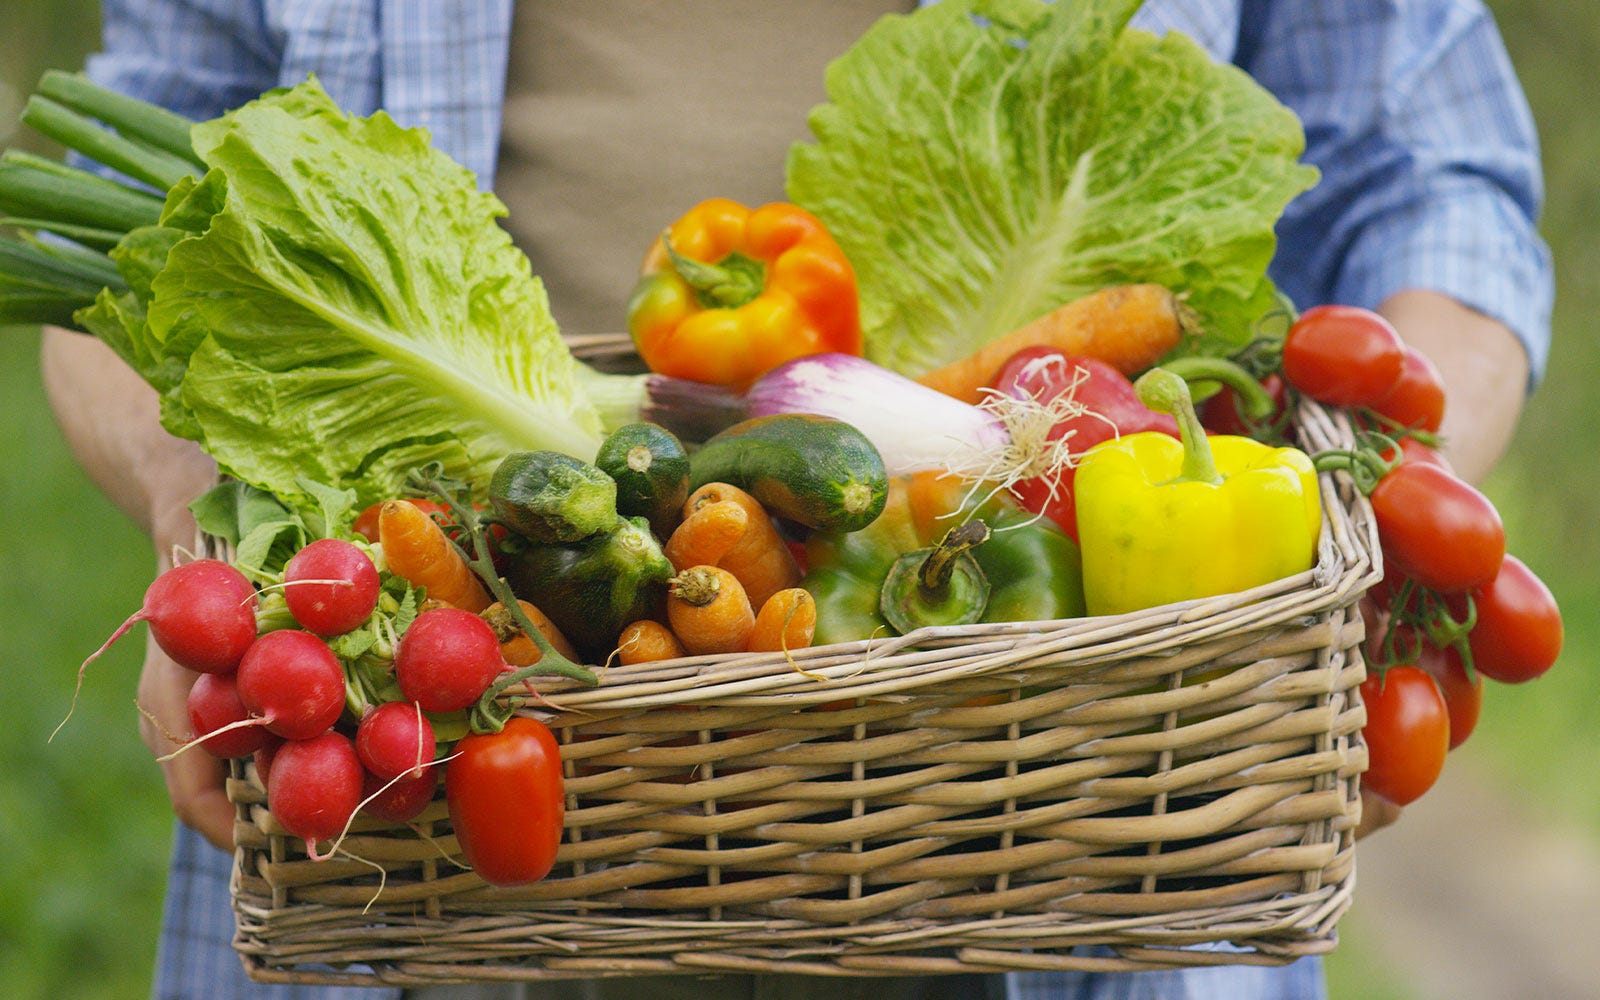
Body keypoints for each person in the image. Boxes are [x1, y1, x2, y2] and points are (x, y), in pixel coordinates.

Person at [40, 2, 1551, 999]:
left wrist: (1380, 513)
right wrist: (217, 547)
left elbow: (1433, 164)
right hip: (415, 764)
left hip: (1087, 845)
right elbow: (140, 228)